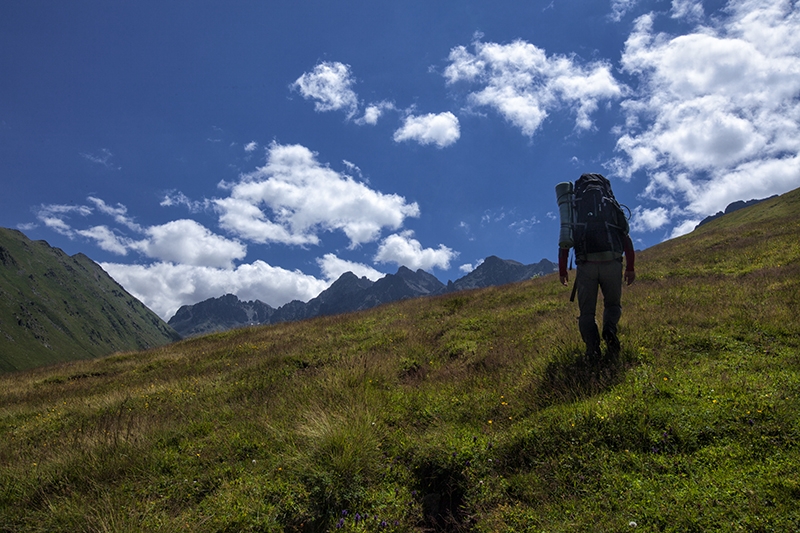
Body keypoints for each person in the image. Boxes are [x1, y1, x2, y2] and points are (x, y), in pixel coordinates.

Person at [558, 179, 636, 361]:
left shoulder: (575, 208)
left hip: (586, 266)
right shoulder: (610, 205)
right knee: (612, 305)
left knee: (587, 313)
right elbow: (626, 238)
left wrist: (563, 271)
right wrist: (630, 267)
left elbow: (564, 241)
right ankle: (609, 330)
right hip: (612, 262)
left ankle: (592, 350)